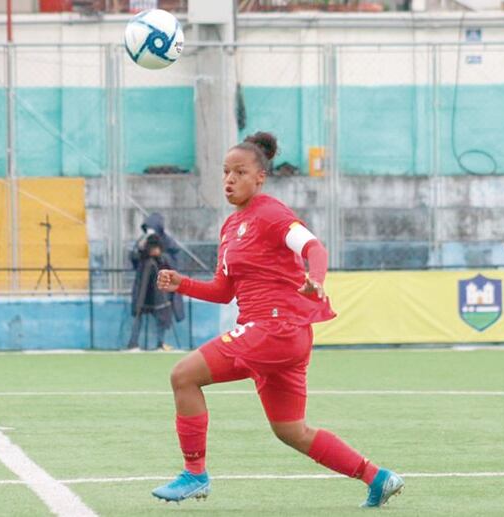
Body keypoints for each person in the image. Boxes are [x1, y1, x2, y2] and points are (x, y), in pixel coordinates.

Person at [151, 132, 404, 507]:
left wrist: (315, 278)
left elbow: (313, 247)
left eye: (239, 172)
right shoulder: (230, 228)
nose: (229, 179)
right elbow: (224, 291)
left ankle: (195, 474)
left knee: (183, 376)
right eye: (225, 172)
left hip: (275, 328)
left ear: (260, 178)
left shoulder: (271, 213)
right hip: (277, 336)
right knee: (291, 431)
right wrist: (182, 283)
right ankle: (378, 477)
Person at [128, 213, 184, 350]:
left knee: (163, 313)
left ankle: (161, 342)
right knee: (139, 312)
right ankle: (133, 343)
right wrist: (141, 250)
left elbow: (175, 261)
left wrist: (161, 256)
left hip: (160, 285)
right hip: (144, 285)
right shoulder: (142, 240)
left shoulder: (168, 242)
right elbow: (134, 257)